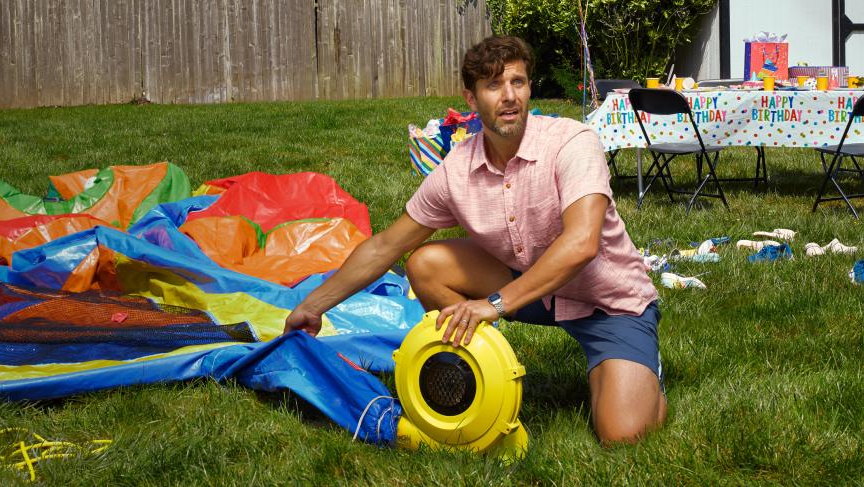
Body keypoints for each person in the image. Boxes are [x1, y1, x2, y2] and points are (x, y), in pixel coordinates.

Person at [283, 35, 666, 445]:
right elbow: (385, 246)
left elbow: (582, 244)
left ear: (529, 87)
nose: (509, 97)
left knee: (624, 434)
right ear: (471, 98)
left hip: (609, 302)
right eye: (493, 85)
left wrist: (494, 305)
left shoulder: (572, 142)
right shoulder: (456, 170)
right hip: (533, 287)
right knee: (425, 263)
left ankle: (645, 373)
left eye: (518, 82)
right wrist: (312, 306)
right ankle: (485, 370)